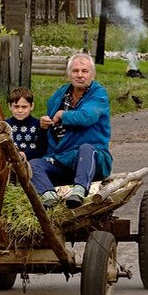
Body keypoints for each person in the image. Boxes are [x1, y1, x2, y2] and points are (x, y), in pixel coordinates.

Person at [29, 53, 113, 209]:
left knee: (86, 148)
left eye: (84, 71)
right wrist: (44, 124)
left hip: (92, 161)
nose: (79, 75)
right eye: (75, 71)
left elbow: (87, 117)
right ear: (69, 74)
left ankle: (79, 192)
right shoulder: (58, 96)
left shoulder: (98, 94)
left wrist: (62, 114)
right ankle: (49, 196)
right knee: (33, 164)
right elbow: (50, 131)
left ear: (92, 74)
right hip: (62, 159)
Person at [5, 87, 48, 162]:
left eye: (24, 107)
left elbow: (42, 149)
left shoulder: (38, 125)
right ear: (10, 106)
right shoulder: (5, 125)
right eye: (16, 106)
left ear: (31, 106)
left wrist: (26, 154)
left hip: (31, 163)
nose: (20, 110)